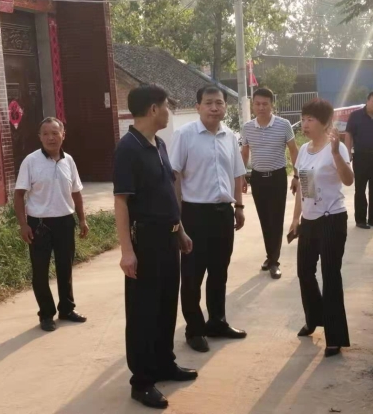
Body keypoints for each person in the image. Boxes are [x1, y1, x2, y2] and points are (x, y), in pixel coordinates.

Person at [113, 85, 198, 409]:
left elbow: (166, 193)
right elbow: (121, 202)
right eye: (165, 106)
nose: (168, 112)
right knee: (143, 312)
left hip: (168, 240)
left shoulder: (159, 144)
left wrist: (180, 231)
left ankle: (164, 363)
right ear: (152, 109)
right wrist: (127, 251)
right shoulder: (128, 149)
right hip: (145, 242)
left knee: (165, 306)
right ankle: (142, 381)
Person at [170, 85, 248, 354]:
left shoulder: (230, 136)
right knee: (193, 274)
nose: (215, 108)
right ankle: (194, 329)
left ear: (225, 106)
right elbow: (175, 176)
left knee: (219, 271)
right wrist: (177, 217)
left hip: (223, 213)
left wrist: (239, 206)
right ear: (198, 107)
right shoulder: (185, 135)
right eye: (209, 103)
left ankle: (217, 322)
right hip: (194, 214)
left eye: (219, 103)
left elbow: (237, 174)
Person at [289, 98, 354, 358]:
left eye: (311, 120)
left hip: (332, 219)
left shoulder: (336, 148)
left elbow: (348, 181)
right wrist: (296, 218)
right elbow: (304, 187)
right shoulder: (305, 150)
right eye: (303, 119)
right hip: (310, 220)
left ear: (326, 123)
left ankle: (335, 337)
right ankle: (314, 318)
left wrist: (337, 154)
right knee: (304, 271)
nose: (305, 124)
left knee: (330, 274)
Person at [14, 117, 89, 332]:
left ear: (63, 135)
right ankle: (46, 314)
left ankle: (67, 309)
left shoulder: (69, 161)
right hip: (39, 225)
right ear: (39, 137)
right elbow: (19, 195)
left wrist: (82, 219)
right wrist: (23, 225)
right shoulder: (31, 161)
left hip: (65, 222)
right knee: (40, 272)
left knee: (65, 268)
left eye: (55, 133)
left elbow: (76, 192)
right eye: (46, 134)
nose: (51, 138)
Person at [241, 88, 299, 279]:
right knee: (265, 220)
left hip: (277, 178)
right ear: (253, 105)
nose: (261, 107)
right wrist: (241, 176)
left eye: (265, 104)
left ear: (272, 105)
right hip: (257, 179)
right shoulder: (248, 127)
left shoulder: (283, 125)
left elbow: (293, 150)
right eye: (257, 104)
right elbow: (244, 153)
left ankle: (274, 262)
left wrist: (296, 176)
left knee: (276, 219)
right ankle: (270, 256)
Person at [344, 91, 373, 230]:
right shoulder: (356, 115)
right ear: (368, 101)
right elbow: (348, 134)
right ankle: (360, 220)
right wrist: (348, 153)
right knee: (360, 188)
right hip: (360, 156)